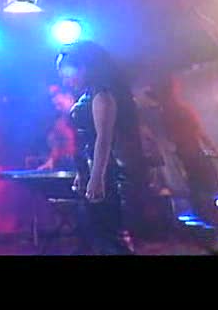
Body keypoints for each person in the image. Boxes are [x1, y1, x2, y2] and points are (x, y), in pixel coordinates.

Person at [55, 41, 149, 255]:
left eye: (66, 72)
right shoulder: (88, 95)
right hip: (95, 169)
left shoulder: (102, 95)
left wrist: (97, 177)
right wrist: (83, 173)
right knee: (97, 233)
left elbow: (103, 139)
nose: (64, 79)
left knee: (109, 234)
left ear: (83, 68)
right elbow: (87, 140)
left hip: (109, 174)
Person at [155, 76, 218, 225]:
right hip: (192, 152)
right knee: (207, 182)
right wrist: (215, 150)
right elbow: (199, 132)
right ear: (173, 90)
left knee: (198, 184)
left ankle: (206, 215)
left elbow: (169, 138)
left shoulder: (164, 113)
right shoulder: (182, 110)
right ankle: (212, 216)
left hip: (183, 154)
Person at [35, 86, 77, 171]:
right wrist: (51, 161)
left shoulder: (85, 116)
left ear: (69, 98)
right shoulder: (59, 124)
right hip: (68, 166)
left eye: (60, 104)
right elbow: (56, 146)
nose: (58, 108)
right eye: (55, 106)